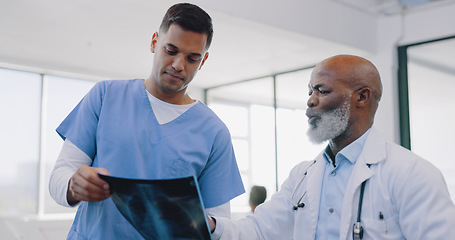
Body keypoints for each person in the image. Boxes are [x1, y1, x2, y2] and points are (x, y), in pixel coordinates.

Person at [49, 3, 244, 239]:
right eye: (171, 50)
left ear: (203, 61)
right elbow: (60, 175)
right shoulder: (105, 96)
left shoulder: (214, 133)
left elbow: (217, 224)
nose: (178, 65)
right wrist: (73, 185)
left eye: (192, 58)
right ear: (154, 42)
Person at [208, 54, 455, 239]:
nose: (310, 100)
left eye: (322, 91)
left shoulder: (412, 174)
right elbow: (259, 230)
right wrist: (209, 224)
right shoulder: (302, 176)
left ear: (361, 97)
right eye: (310, 91)